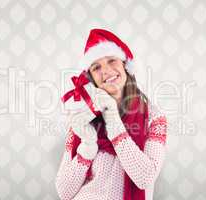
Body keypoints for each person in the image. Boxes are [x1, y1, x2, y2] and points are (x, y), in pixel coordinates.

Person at [55, 28, 167, 200]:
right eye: (96, 67)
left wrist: (113, 121)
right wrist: (87, 144)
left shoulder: (154, 118)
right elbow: (64, 192)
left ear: (125, 65)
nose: (106, 71)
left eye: (112, 60)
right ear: (91, 78)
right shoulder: (84, 117)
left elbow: (145, 178)